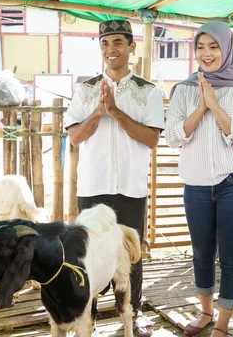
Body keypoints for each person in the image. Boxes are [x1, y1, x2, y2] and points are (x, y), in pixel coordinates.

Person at [165, 21, 233, 337]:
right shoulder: (183, 89)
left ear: (226, 49)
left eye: (214, 47)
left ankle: (222, 326)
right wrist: (200, 108)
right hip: (196, 184)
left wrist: (215, 105)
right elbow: (172, 137)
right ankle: (206, 313)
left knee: (231, 257)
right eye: (201, 47)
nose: (207, 54)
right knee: (201, 253)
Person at [64, 19, 165, 337]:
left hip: (130, 187)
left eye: (118, 42)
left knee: (131, 254)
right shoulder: (85, 90)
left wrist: (117, 112)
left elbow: (150, 139)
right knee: (87, 252)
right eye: (105, 43)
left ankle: (131, 317)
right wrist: (98, 111)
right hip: (93, 185)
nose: (111, 49)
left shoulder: (147, 92)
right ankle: (86, 318)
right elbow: (75, 138)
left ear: (131, 46)